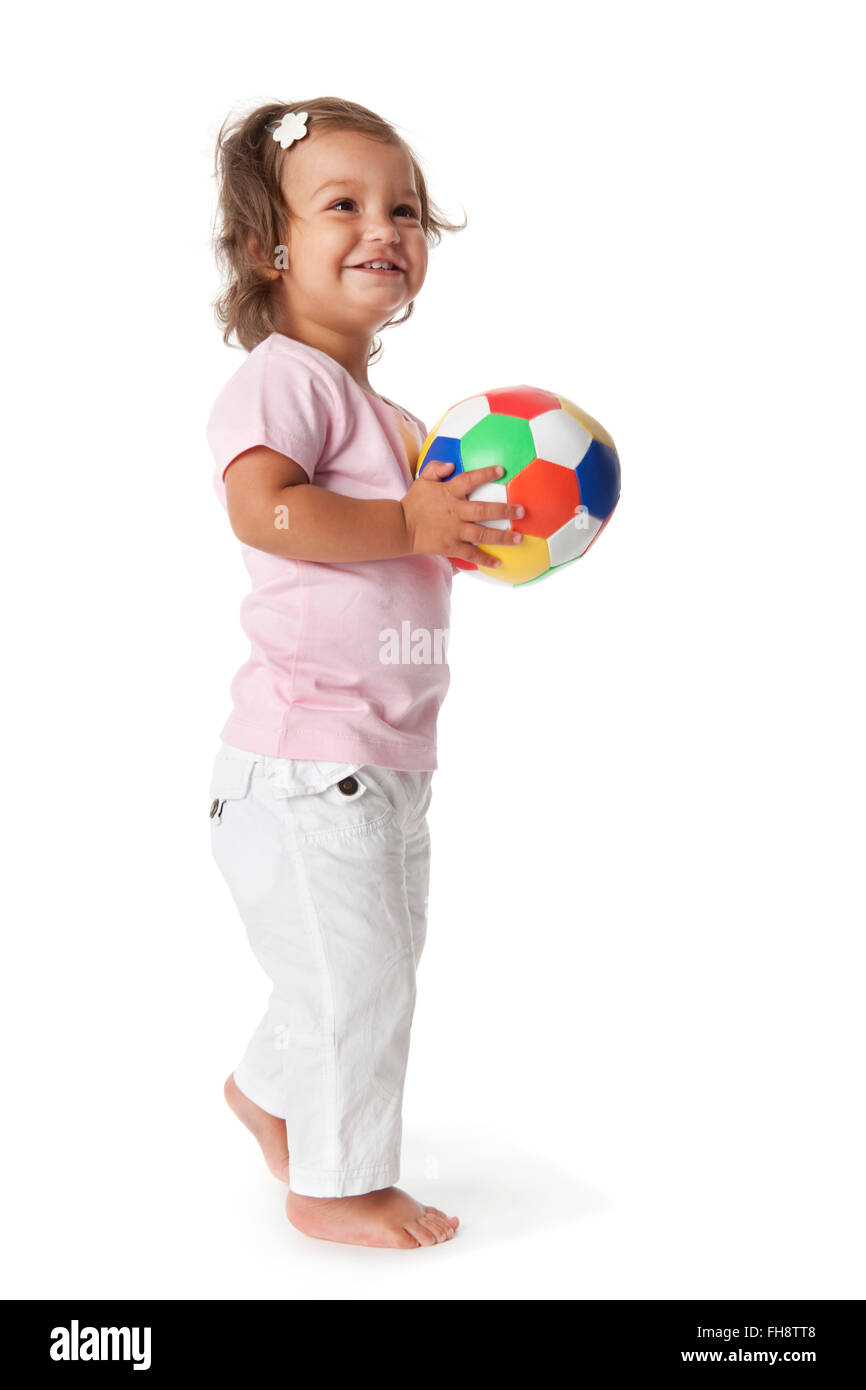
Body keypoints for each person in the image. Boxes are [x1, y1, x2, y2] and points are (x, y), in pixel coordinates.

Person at [205, 97, 524, 1249]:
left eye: (400, 208)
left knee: (363, 962)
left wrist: (466, 531)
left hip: (380, 757)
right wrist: (405, 526)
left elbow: (403, 539)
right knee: (361, 978)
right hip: (303, 759)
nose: (380, 225)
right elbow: (269, 510)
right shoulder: (282, 378)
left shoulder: (391, 416)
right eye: (340, 204)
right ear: (266, 248)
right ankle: (332, 1184)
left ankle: (268, 1092)